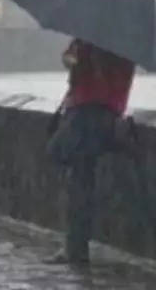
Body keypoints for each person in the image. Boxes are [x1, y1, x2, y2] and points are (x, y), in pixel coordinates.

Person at [44, 37, 136, 266]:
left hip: (87, 114)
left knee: (77, 180)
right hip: (106, 114)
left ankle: (75, 247)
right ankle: (77, 246)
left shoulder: (92, 40)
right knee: (81, 179)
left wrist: (79, 60)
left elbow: (72, 62)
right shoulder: (126, 44)